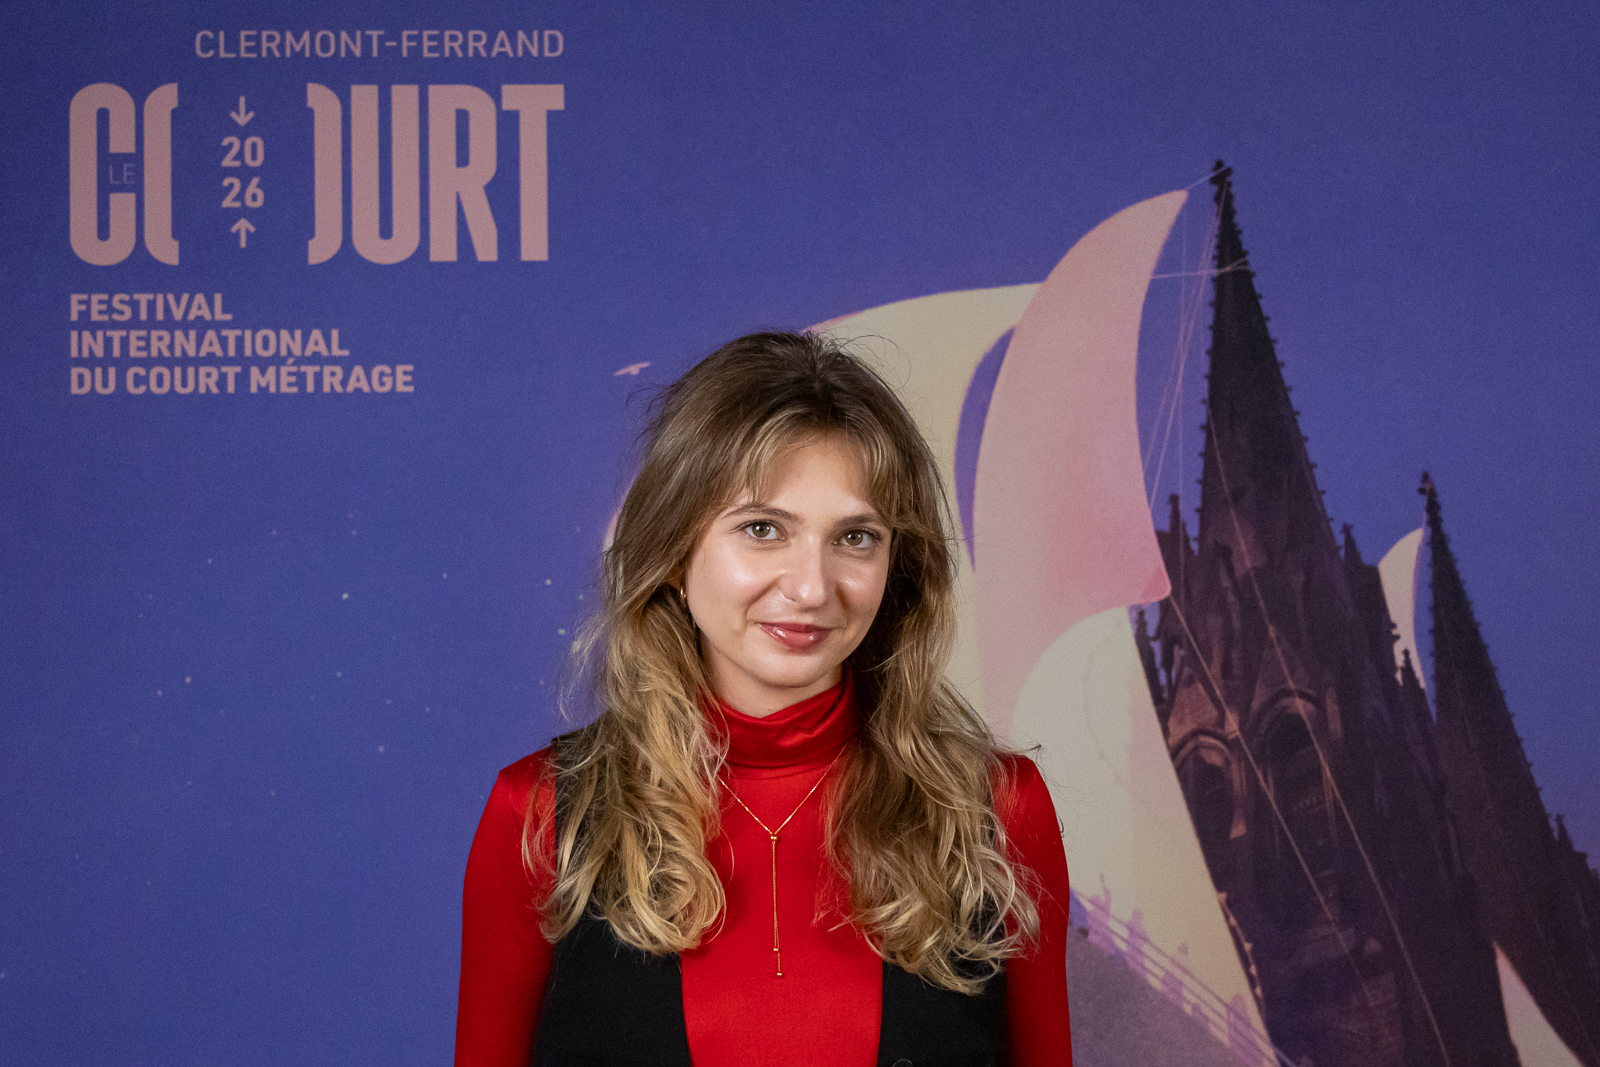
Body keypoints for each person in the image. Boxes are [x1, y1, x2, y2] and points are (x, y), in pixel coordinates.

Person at [455, 331, 1073, 1066]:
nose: (812, 587)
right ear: (673, 553)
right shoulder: (538, 816)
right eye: (762, 529)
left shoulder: (1000, 811)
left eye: (855, 537)